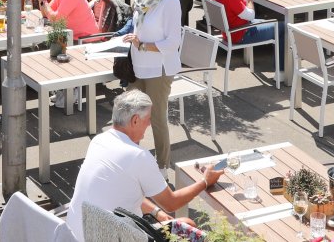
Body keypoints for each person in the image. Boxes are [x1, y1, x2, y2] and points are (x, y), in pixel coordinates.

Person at [63, 89, 224, 242]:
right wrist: (205, 181)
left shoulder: (99, 141)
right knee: (191, 230)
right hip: (114, 236)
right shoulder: (138, 156)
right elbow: (171, 203)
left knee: (185, 224)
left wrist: (156, 212)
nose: (149, 125)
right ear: (135, 120)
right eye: (148, 119)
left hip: (75, 235)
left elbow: (120, 191)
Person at [126, 0, 184, 168]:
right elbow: (137, 25)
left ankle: (163, 168)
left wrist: (142, 44)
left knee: (157, 120)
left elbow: (172, 43)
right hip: (137, 65)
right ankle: (131, 164)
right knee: (129, 116)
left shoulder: (170, 0)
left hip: (158, 69)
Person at [202, 0, 283, 70]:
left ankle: (280, 68)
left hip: (229, 32)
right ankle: (282, 71)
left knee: (271, 23)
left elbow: (233, 2)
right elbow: (250, 15)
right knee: (282, 27)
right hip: (242, 33)